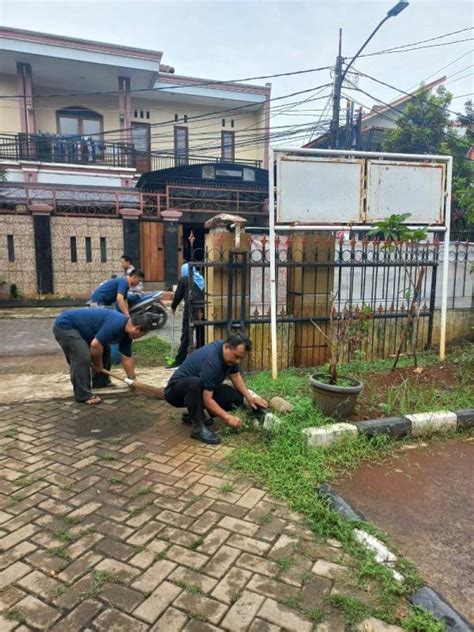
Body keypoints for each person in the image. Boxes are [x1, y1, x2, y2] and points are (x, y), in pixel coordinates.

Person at [165, 332, 268, 444]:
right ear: (226, 347)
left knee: (235, 397)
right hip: (175, 393)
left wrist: (249, 398)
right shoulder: (212, 361)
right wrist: (228, 418)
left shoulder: (228, 355)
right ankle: (198, 428)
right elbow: (207, 399)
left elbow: (235, 375)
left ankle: (193, 414)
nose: (237, 361)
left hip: (197, 390)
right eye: (236, 357)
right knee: (195, 383)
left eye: (240, 358)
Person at [53, 308, 153, 405]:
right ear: (137, 329)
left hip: (84, 330)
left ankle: (100, 382)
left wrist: (133, 380)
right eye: (142, 335)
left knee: (104, 349)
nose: (140, 337)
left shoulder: (127, 335)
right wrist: (98, 364)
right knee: (82, 356)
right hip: (66, 326)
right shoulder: (117, 323)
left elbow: (126, 357)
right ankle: (83, 395)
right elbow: (95, 345)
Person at [167, 262, 205, 369]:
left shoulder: (184, 279)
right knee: (200, 334)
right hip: (202, 308)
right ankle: (200, 358)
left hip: (191, 308)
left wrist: (173, 306)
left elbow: (178, 294)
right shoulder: (200, 279)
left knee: (186, 335)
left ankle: (179, 361)